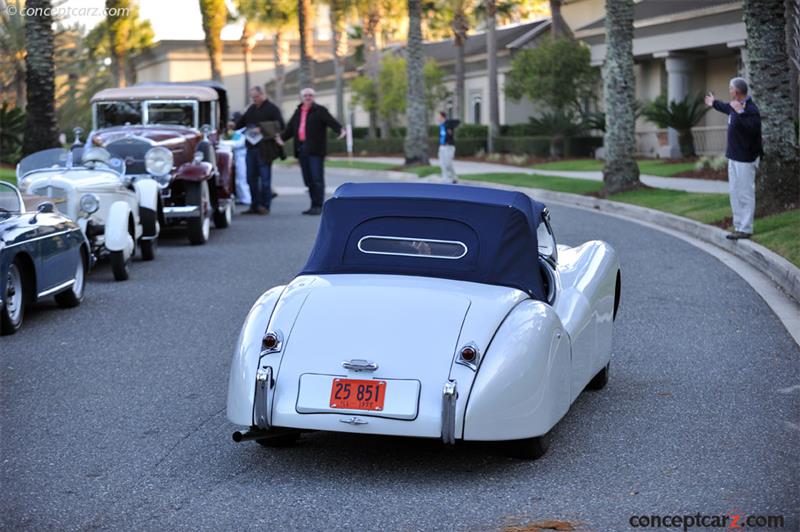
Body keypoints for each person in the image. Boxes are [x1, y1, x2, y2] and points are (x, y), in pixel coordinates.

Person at [705, 77, 762, 240]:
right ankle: (738, 226)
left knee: (745, 193)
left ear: (736, 92)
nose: (729, 91)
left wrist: (740, 113)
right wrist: (714, 102)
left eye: (730, 88)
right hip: (734, 157)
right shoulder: (733, 106)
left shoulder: (750, 109)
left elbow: (752, 130)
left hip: (746, 158)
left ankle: (746, 228)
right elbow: (724, 107)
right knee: (735, 193)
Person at [277, 88, 345, 215]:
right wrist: (281, 138)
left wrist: (340, 130)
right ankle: (313, 205)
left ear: (313, 97)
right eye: (305, 95)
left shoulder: (320, 110)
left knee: (317, 179)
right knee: (308, 179)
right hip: (302, 149)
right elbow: (290, 129)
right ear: (301, 98)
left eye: (310, 95)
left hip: (316, 150)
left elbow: (331, 122)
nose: (308, 97)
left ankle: (319, 205)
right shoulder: (298, 112)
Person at [234, 86, 284, 215]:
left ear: (263, 95)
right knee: (251, 178)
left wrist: (261, 128)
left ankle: (265, 206)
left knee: (265, 179)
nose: (254, 99)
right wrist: (233, 124)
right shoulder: (251, 109)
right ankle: (254, 205)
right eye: (252, 97)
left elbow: (280, 125)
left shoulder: (272, 109)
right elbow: (240, 123)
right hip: (251, 148)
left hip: (265, 149)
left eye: (256, 97)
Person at [221, 115, 251, 206]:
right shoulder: (234, 133)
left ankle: (246, 198)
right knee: (238, 179)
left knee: (242, 179)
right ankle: (242, 197)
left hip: (242, 157)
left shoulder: (241, 133)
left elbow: (237, 144)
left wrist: (222, 143)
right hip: (236, 157)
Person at [436, 111, 460, 183]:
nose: (437, 118)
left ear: (442, 117)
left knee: (448, 163)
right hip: (442, 147)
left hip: (449, 146)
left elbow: (458, 121)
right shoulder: (441, 126)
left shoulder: (448, 124)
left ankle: (454, 177)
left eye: (439, 116)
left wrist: (448, 123)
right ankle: (445, 179)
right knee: (442, 163)